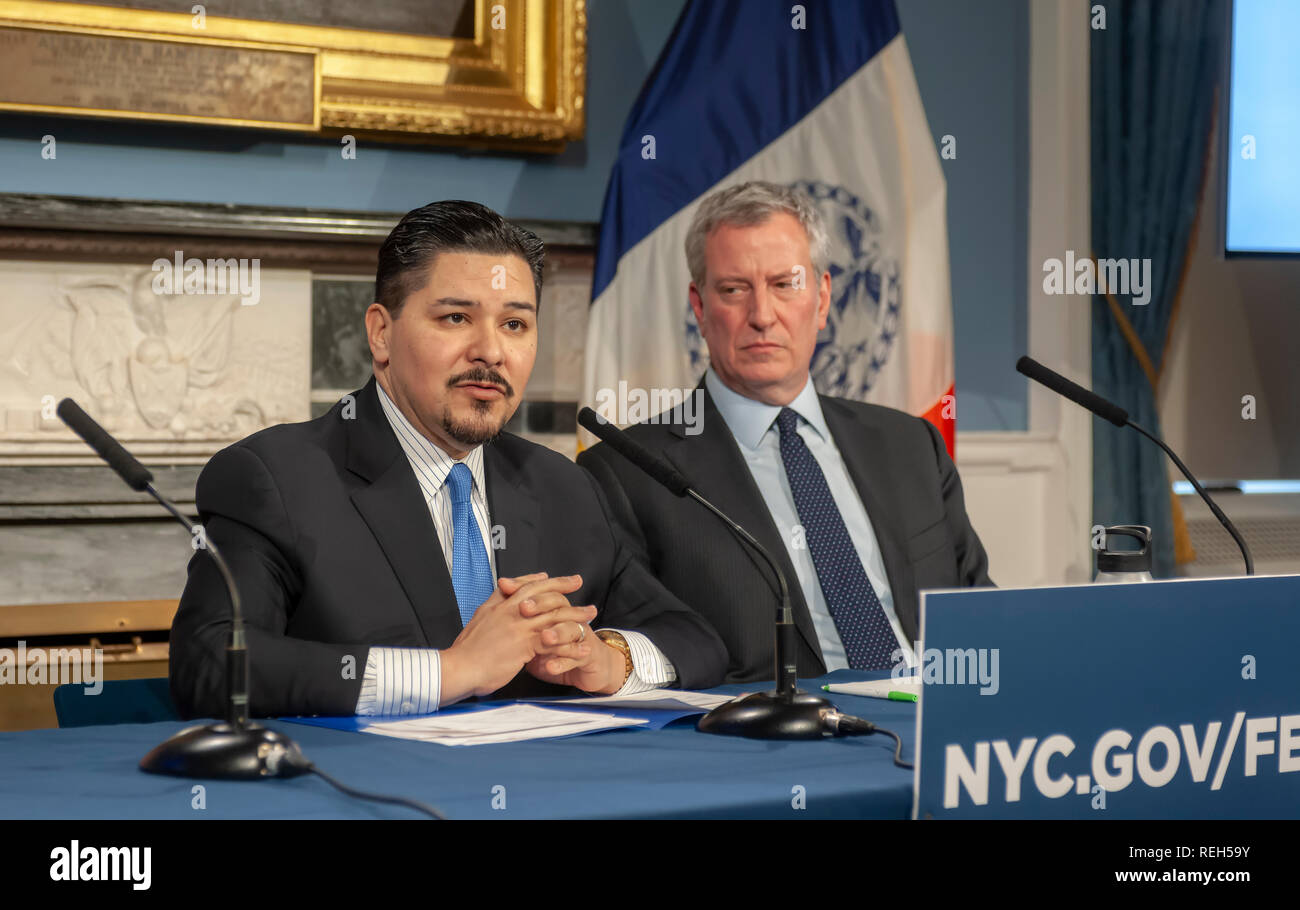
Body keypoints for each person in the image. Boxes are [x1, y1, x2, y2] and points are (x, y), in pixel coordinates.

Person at [170, 200, 726, 718]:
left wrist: (606, 659)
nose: (490, 351)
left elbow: (695, 639)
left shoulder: (561, 485)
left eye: (515, 324)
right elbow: (213, 663)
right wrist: (450, 672)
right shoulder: (277, 477)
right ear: (382, 333)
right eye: (456, 317)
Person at [579, 181, 992, 683]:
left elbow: (979, 614)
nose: (762, 316)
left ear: (822, 299)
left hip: (936, 719)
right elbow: (650, 649)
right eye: (734, 289)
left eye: (784, 284)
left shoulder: (911, 446)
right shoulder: (629, 473)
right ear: (700, 308)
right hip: (775, 742)